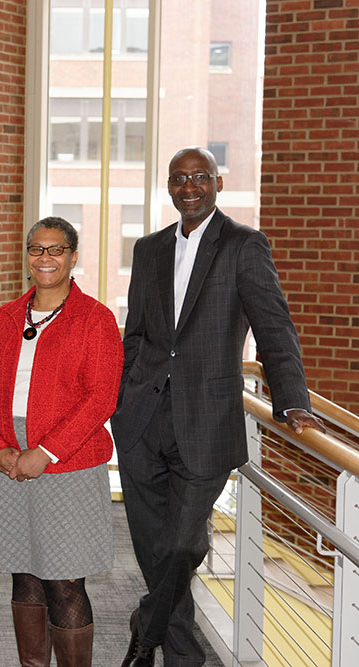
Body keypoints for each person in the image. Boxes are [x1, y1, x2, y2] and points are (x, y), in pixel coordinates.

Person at [112, 147, 326, 667]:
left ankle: (148, 624)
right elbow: (136, 334)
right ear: (168, 186)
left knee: (183, 545)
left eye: (200, 178)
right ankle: (184, 656)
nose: (190, 187)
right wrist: (119, 399)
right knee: (152, 545)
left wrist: (291, 399)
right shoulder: (148, 248)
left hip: (207, 422)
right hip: (140, 420)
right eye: (180, 178)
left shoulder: (244, 246)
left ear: (218, 183)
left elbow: (275, 328)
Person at [0, 216, 123, 667]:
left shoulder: (96, 320)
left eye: (56, 250)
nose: (45, 258)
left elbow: (101, 398)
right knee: (25, 573)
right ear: (27, 257)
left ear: (73, 258)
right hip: (8, 459)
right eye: (37, 249)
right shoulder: (2, 320)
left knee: (64, 581)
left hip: (67, 462)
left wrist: (47, 452)